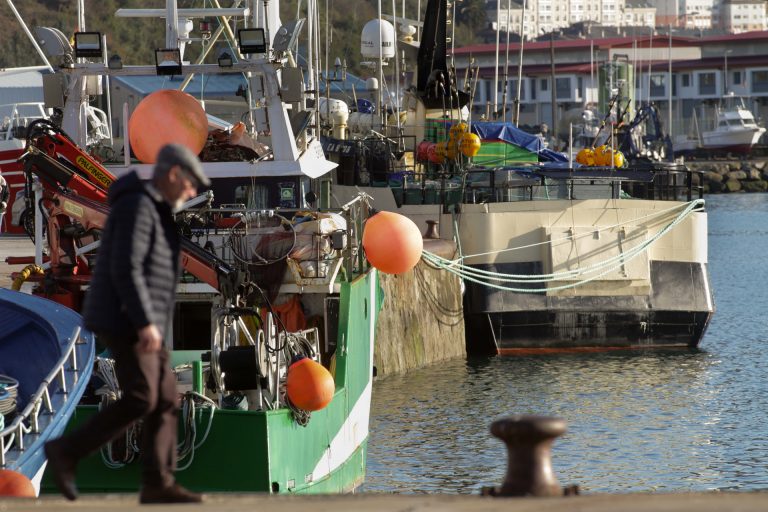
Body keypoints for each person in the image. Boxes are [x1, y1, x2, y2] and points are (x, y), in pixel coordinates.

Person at [44, 143, 210, 504]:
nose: (193, 192)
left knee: (164, 398)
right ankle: (66, 452)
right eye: (191, 183)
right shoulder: (138, 207)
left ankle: (158, 483)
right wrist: (146, 322)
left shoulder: (152, 208)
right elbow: (126, 267)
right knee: (143, 397)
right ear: (173, 175)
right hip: (125, 319)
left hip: (138, 319)